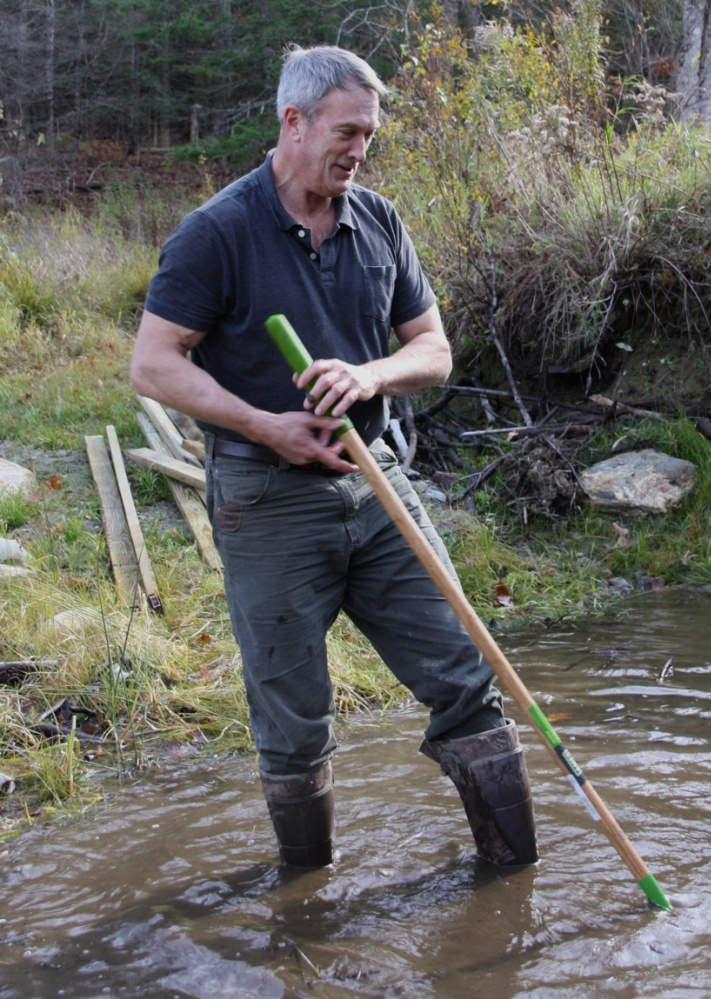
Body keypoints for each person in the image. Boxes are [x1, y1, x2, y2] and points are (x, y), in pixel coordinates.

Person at [130, 44, 537, 870]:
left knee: (466, 674)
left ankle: (509, 885)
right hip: (265, 499)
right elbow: (153, 362)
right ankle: (304, 906)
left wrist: (369, 372)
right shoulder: (216, 232)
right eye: (347, 132)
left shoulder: (378, 220)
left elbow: (432, 349)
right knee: (292, 717)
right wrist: (263, 423)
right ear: (294, 121)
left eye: (370, 137)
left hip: (380, 489)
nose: (360, 150)